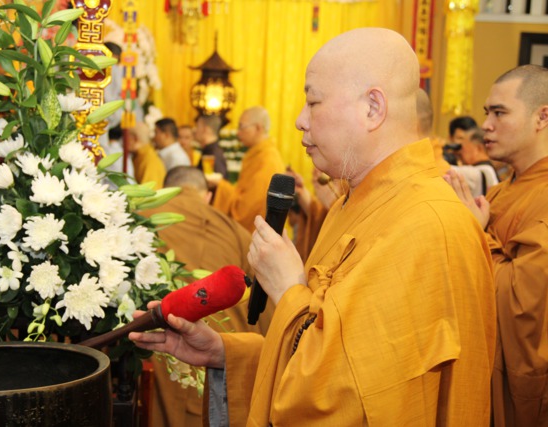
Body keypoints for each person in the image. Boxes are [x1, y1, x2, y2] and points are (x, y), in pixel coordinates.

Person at [130, 28, 496, 426]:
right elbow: (325, 350)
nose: (300, 120)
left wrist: (288, 288)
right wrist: (225, 353)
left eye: (313, 102)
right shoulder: (349, 205)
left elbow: (354, 398)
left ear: (373, 108)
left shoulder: (429, 224)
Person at [445, 64, 548, 427]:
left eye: (500, 113)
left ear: (542, 117)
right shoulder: (500, 192)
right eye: (487, 112)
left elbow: (525, 302)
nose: (486, 125)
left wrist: (476, 235)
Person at [140, 166, 273, 426]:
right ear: (208, 196)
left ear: (165, 191)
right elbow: (263, 299)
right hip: (225, 344)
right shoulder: (235, 230)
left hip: (161, 343)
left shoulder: (144, 218)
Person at [209, 107, 286, 232]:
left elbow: (246, 209)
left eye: (242, 127)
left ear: (258, 128)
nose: (238, 133)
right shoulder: (257, 154)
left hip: (257, 234)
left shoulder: (268, 160)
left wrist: (221, 185)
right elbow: (243, 194)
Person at [127, 122, 166, 188]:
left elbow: (149, 191)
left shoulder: (150, 161)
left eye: (126, 138)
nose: (123, 142)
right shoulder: (138, 155)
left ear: (135, 139)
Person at [194, 115, 228, 179]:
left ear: (205, 129)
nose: (195, 130)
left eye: (197, 126)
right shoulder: (210, 150)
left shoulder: (213, 153)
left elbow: (218, 181)